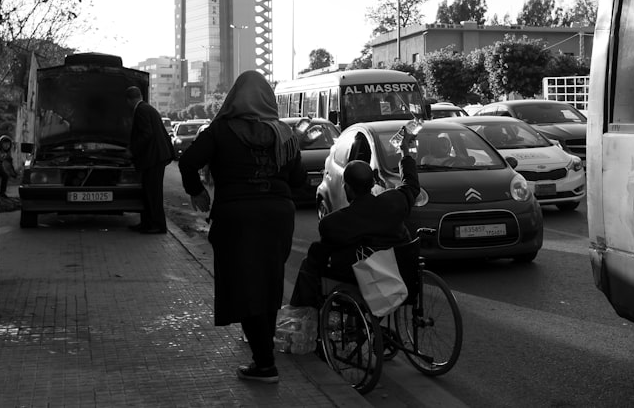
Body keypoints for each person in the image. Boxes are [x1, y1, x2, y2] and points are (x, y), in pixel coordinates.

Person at [178, 70, 305, 385]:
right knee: (270, 282)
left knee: (245, 287)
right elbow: (299, 180)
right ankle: (265, 356)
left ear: (234, 97)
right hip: (278, 216)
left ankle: (264, 364)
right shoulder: (284, 134)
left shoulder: (219, 131)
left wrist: (197, 191)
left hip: (236, 218)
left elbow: (187, 162)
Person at [288, 130, 420, 310]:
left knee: (312, 260)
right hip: (401, 275)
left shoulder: (334, 223)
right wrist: (405, 152)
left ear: (347, 188)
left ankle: (301, 314)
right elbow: (411, 184)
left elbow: (321, 255)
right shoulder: (395, 202)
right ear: (373, 183)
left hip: (363, 282)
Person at [126, 86, 175, 234]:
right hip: (156, 157)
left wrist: (132, 150)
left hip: (153, 158)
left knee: (152, 193)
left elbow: (146, 134)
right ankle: (147, 223)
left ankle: (157, 225)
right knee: (149, 192)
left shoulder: (141, 110)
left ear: (129, 100)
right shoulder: (148, 108)